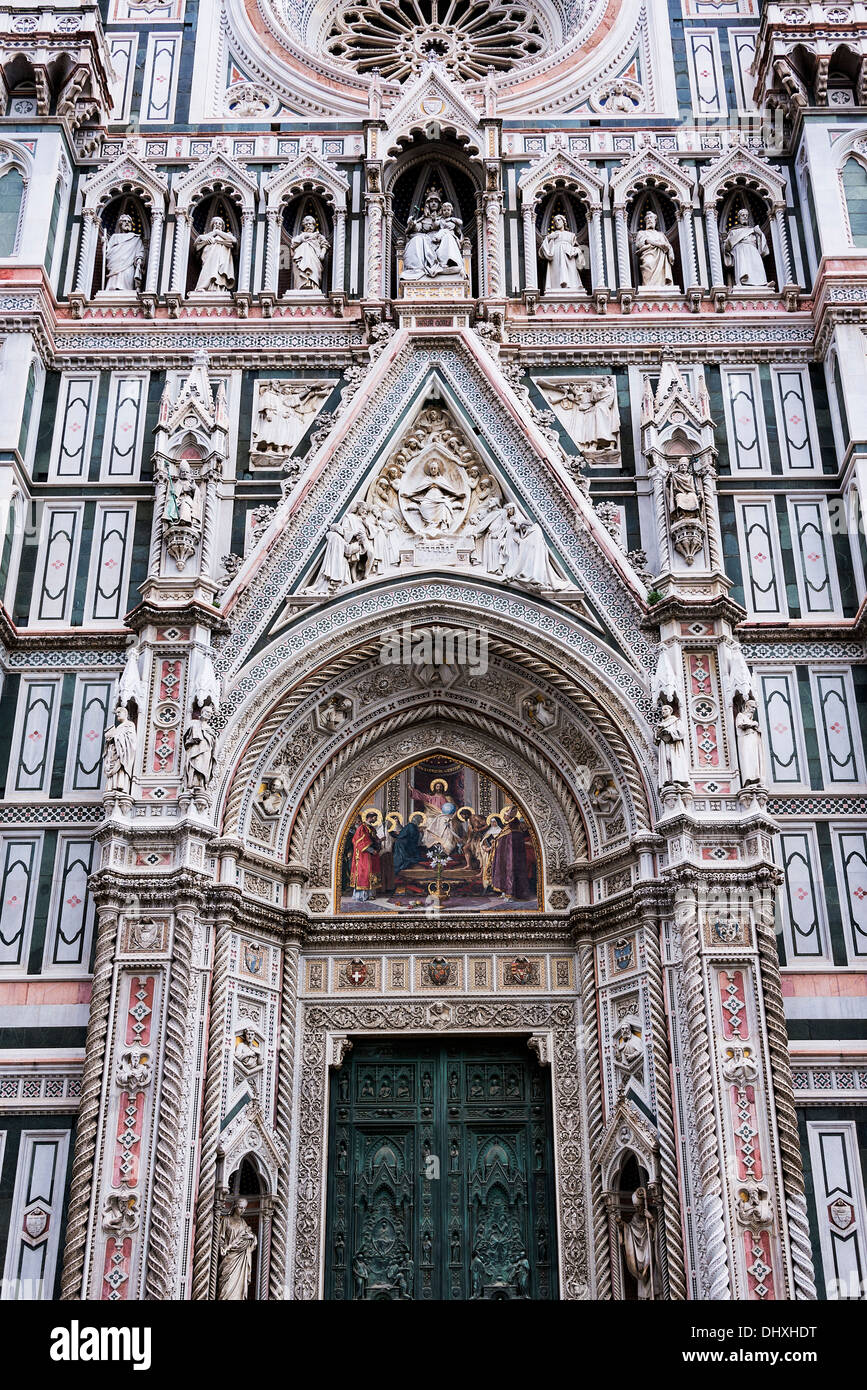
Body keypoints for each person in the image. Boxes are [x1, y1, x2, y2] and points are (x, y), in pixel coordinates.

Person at [217, 1200, 257, 1300]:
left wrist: (252, 1238)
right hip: (229, 1258)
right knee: (226, 1287)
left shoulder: (244, 1223)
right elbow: (219, 1238)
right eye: (240, 1207)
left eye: (244, 1208)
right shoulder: (226, 1220)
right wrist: (223, 1247)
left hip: (241, 1258)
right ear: (235, 1206)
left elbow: (251, 1240)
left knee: (238, 1288)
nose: (242, 1210)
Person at [491, 807, 532, 900]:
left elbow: (512, 840)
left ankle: (511, 894)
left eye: (505, 815)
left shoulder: (512, 826)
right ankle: (505, 892)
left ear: (508, 816)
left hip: (512, 855)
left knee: (511, 871)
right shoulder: (509, 826)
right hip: (505, 855)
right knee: (504, 871)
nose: (504, 817)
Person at [723, 207, 770, 288]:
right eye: (742, 215)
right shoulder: (734, 231)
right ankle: (742, 282)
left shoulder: (753, 230)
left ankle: (762, 283)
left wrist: (760, 234)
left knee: (757, 265)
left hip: (753, 250)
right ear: (739, 218)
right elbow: (727, 246)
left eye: (746, 215)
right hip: (741, 251)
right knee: (743, 266)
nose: (745, 217)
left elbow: (762, 247)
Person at [540, 214, 587, 293]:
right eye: (555, 221)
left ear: (564, 222)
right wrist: (548, 238)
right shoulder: (552, 236)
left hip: (568, 256)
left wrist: (575, 251)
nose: (557, 222)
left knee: (571, 274)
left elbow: (579, 248)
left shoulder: (571, 235)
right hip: (556, 257)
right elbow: (542, 251)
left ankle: (572, 287)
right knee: (557, 275)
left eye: (559, 220)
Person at [193, 215, 237, 293]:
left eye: (220, 223)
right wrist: (202, 238)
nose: (217, 225)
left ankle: (218, 290)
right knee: (208, 270)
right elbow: (196, 246)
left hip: (221, 260)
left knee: (218, 274)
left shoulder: (227, 235)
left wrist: (217, 232)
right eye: (215, 223)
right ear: (212, 225)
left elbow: (233, 240)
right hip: (209, 259)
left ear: (223, 226)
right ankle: (203, 287)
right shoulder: (207, 236)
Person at [104, 212, 145, 292]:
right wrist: (104, 245)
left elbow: (140, 251)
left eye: (129, 222)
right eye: (125, 221)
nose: (127, 223)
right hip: (115, 266)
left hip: (128, 266)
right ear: (120, 224)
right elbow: (108, 252)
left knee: (127, 286)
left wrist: (139, 259)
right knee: (113, 285)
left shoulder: (135, 238)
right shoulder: (114, 237)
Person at [290, 214, 330, 291]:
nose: (308, 226)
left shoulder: (318, 235)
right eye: (306, 224)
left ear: (314, 225)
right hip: (302, 256)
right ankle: (301, 285)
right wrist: (302, 238)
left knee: (313, 270)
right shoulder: (301, 236)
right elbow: (293, 244)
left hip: (314, 258)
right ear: (304, 226)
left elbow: (325, 244)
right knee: (301, 268)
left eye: (310, 224)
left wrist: (322, 253)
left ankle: (312, 285)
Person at [104, 702, 136, 795]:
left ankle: (120, 787)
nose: (117, 714)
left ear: (125, 714)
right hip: (114, 754)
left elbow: (131, 741)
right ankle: (112, 788)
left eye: (119, 712)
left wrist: (116, 736)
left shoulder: (129, 725)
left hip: (122, 754)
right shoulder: (119, 727)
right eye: (116, 713)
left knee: (121, 771)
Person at [635, 209, 675, 287]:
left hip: (661, 257)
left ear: (655, 221)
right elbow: (640, 243)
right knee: (648, 263)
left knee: (661, 272)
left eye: (651, 218)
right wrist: (658, 244)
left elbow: (667, 245)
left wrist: (669, 251)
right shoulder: (642, 233)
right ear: (645, 222)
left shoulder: (661, 234)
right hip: (648, 254)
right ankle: (648, 286)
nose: (649, 220)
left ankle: (662, 285)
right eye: (647, 218)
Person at [349, 815, 380, 901]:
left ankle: (370, 894)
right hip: (364, 855)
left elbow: (375, 839)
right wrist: (371, 850)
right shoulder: (362, 828)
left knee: (371, 873)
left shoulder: (371, 828)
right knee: (364, 873)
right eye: (375, 818)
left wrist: (378, 844)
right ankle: (361, 896)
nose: (376, 819)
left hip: (372, 855)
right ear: (369, 818)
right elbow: (360, 842)